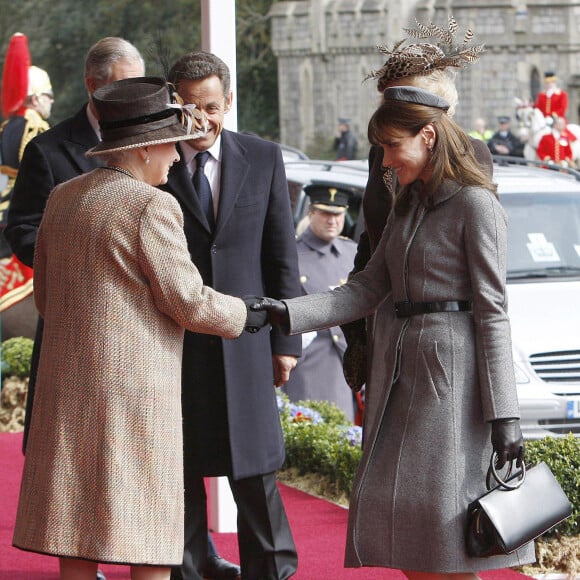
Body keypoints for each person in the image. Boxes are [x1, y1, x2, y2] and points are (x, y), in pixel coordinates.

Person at [250, 85, 535, 578]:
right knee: (410, 532)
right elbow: (364, 289)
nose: (383, 159)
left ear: (427, 136)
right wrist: (285, 312)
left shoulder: (475, 204)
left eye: (390, 145)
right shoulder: (408, 204)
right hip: (401, 373)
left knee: (446, 537)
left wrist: (504, 415)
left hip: (451, 381)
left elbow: (494, 311)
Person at [4, 37, 240, 580]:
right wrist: (248, 315)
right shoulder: (152, 205)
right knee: (149, 540)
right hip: (134, 395)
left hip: (68, 387)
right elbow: (188, 302)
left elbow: (45, 294)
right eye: (169, 146)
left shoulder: (65, 197)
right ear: (141, 148)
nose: (178, 156)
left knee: (76, 536)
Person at [163, 51, 301, 580]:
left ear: (229, 103)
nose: (200, 119)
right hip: (173, 339)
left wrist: (287, 342)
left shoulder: (262, 157)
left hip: (248, 337)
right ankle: (189, 569)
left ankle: (273, 570)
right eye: (187, 107)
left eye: (211, 106)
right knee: (179, 467)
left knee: (256, 469)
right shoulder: (155, 163)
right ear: (171, 104)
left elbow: (280, 252)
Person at [340, 18, 494, 433]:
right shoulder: (383, 154)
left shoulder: (470, 156)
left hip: (434, 334)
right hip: (381, 320)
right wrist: (355, 328)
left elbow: (482, 277)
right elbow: (371, 239)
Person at [283, 183, 357, 422]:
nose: (332, 220)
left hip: (343, 365)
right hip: (306, 363)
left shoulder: (351, 252)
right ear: (311, 213)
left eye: (338, 214)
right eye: (325, 213)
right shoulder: (291, 254)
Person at [0, 33, 53, 259]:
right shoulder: (35, 126)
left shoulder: (7, 126)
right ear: (35, 98)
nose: (52, 101)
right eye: (48, 96)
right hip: (24, 216)